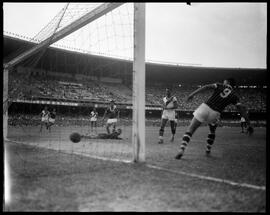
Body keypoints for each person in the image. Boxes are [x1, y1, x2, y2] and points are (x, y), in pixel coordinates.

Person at [175, 78, 253, 159]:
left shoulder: (220, 85)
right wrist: (249, 124)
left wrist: (192, 94)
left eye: (225, 81)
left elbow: (206, 87)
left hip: (205, 107)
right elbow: (241, 110)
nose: (223, 81)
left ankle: (182, 149)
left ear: (228, 82)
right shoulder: (235, 96)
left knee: (191, 129)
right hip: (215, 114)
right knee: (212, 131)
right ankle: (208, 149)